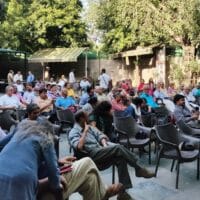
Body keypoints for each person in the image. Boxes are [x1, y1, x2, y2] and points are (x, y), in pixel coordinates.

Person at [69, 111, 155, 199]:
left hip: (100, 152)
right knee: (118, 147)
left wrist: (105, 145)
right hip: (90, 157)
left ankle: (122, 193)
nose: (89, 119)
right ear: (81, 119)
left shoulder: (89, 127)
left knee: (121, 159)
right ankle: (138, 169)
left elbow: (100, 135)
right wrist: (85, 132)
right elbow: (79, 147)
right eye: (87, 117)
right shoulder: (74, 132)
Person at [0, 118, 62, 200]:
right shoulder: (46, 138)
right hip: (22, 177)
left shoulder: (20, 131)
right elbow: (52, 168)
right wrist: (56, 185)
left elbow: (1, 144)